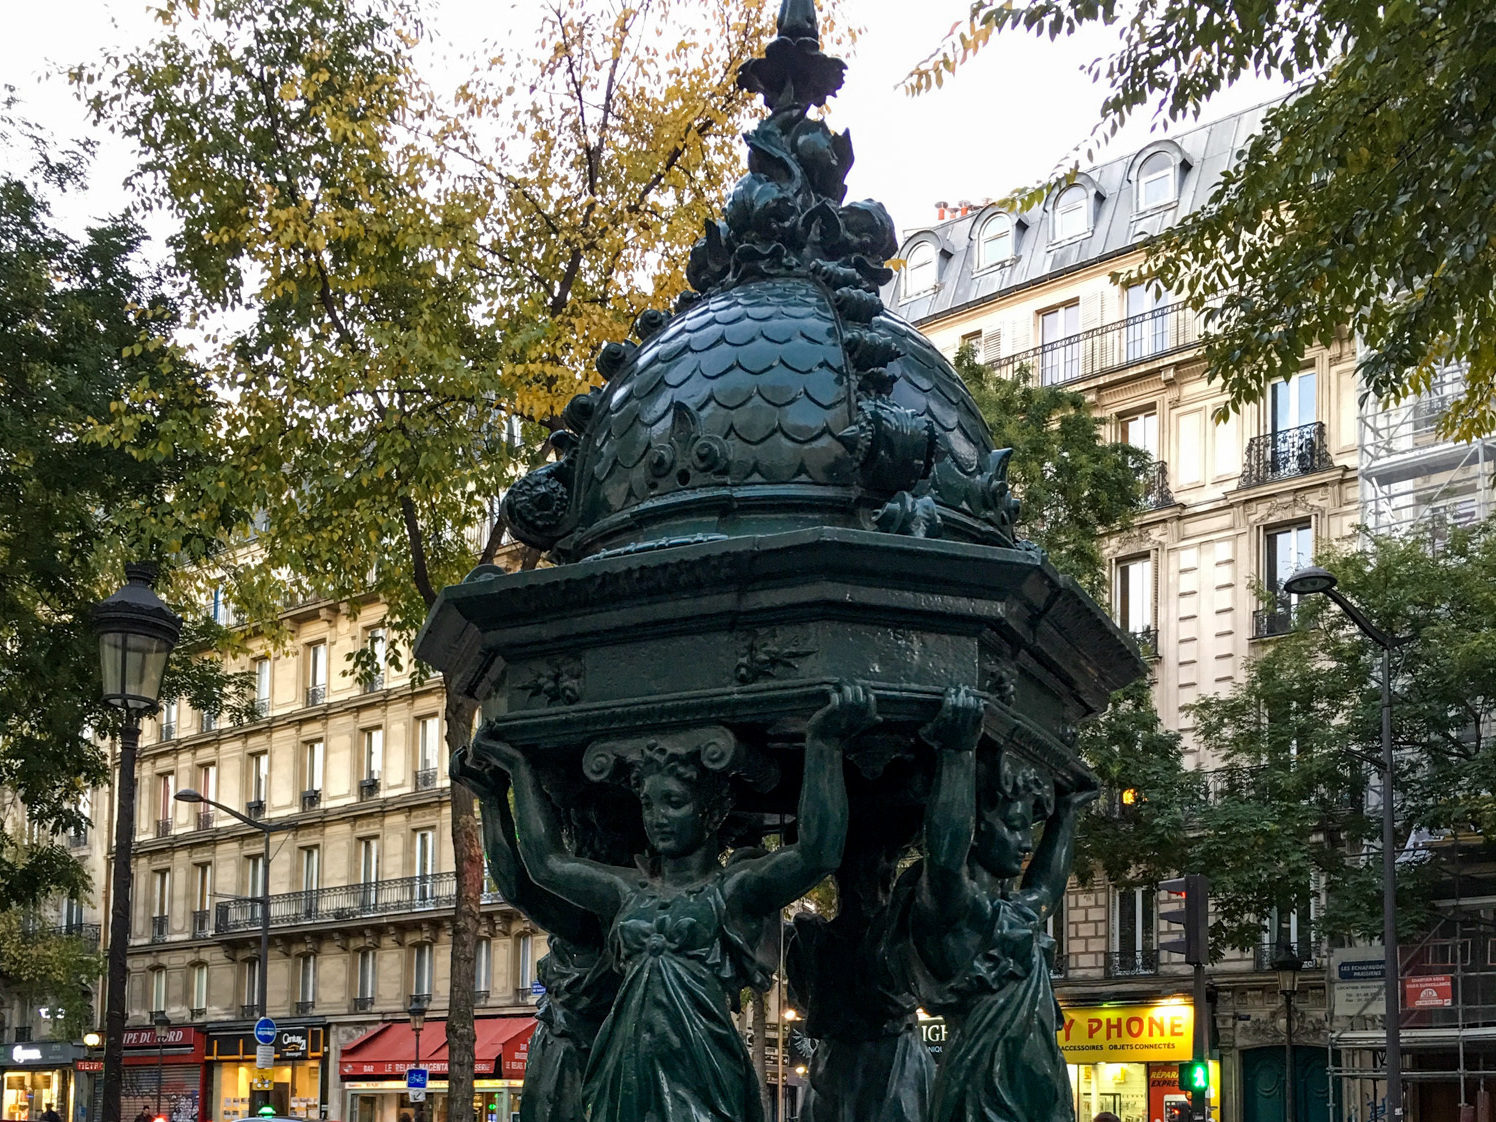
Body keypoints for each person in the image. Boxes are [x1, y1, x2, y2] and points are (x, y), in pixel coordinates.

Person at [484, 682, 870, 1122]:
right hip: (627, 1070)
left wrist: (823, 745)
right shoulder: (629, 890)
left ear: (711, 812)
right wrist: (513, 773)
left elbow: (818, 852)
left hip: (702, 1068)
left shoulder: (733, 890)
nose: (657, 818)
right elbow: (546, 864)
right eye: (649, 804)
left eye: (674, 802)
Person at [890, 686, 1098, 1122]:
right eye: (1015, 826)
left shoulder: (1013, 915)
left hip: (1042, 1093)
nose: (1026, 843)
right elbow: (945, 860)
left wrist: (1065, 816)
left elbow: (1045, 889)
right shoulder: (956, 911)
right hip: (983, 1094)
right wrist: (956, 756)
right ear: (976, 831)